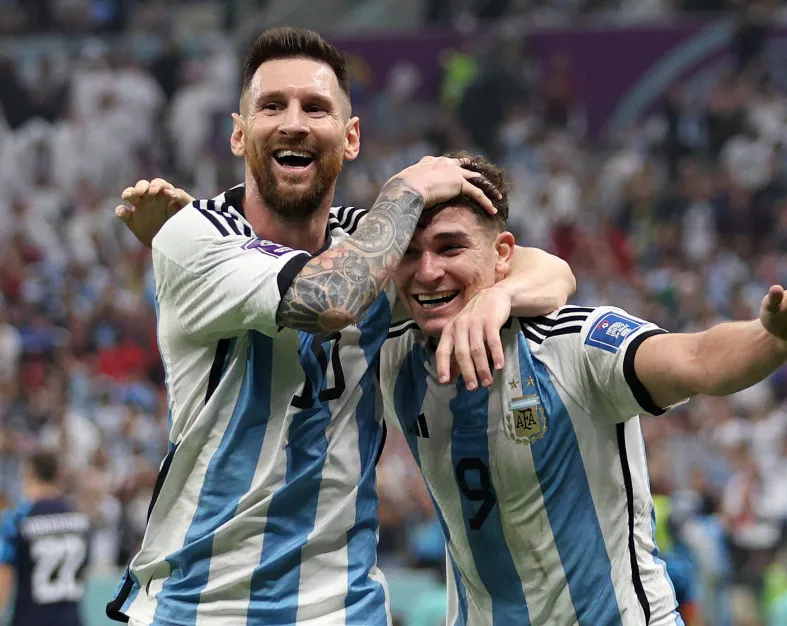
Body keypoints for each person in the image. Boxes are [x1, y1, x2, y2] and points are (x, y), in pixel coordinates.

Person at [110, 27, 574, 626]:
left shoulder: (371, 242)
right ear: (238, 133)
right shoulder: (197, 236)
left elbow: (548, 269)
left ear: (350, 137)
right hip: (204, 607)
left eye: (315, 107)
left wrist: (497, 296)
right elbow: (331, 297)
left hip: (347, 609)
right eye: (272, 106)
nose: (294, 123)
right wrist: (406, 190)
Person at [378, 155, 787, 625]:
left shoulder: (570, 344)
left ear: (503, 255)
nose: (428, 271)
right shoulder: (396, 362)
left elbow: (697, 358)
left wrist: (770, 340)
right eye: (410, 253)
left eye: (450, 248)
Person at [0, 450, 91, 626]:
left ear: (29, 473)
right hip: (71, 619)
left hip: (31, 618)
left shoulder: (18, 519)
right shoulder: (79, 519)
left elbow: (4, 573)